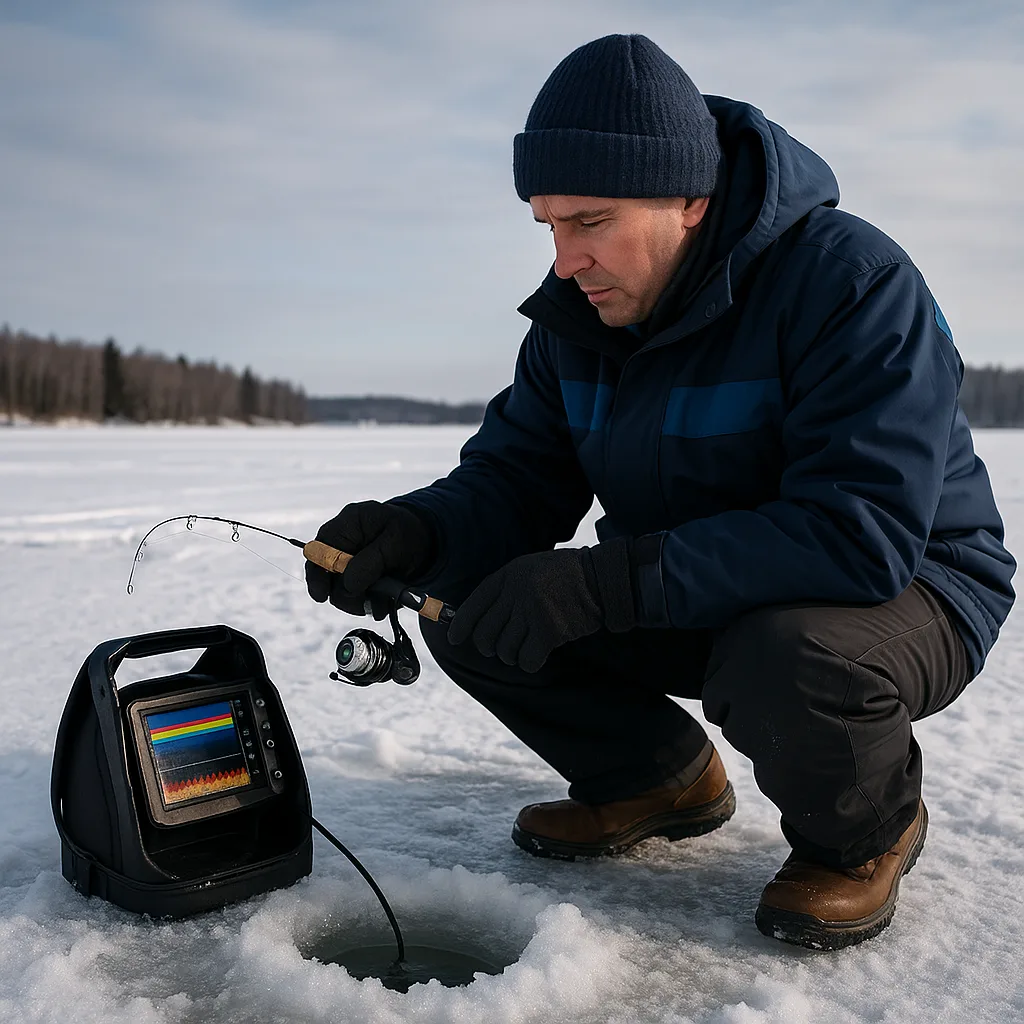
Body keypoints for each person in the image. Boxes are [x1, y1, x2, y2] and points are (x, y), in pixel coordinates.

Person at [306, 34, 1015, 950]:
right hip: (693, 583)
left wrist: (605, 586)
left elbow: (858, 534)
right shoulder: (577, 321)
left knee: (786, 653)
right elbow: (519, 475)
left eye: (590, 221)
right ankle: (654, 778)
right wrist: (418, 530)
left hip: (910, 588)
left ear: (690, 198)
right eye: (548, 225)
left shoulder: (852, 285)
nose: (566, 260)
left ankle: (864, 835)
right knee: (467, 601)